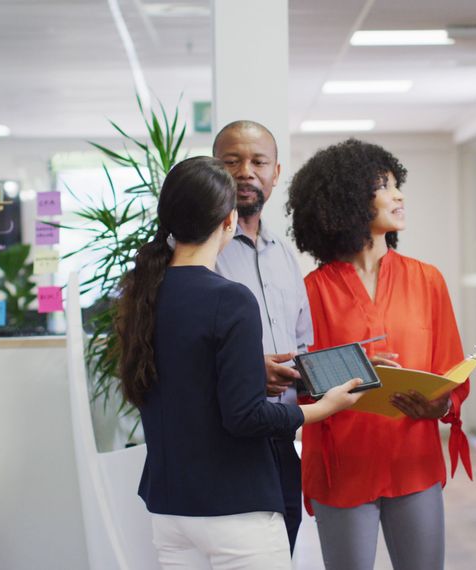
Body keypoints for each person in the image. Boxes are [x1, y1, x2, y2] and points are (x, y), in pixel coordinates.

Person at [115, 156, 364, 569]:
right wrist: (324, 407)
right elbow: (245, 417)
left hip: (170, 511)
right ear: (229, 220)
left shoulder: (143, 296)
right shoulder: (230, 299)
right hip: (235, 509)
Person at [287, 139, 470, 570]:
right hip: (342, 467)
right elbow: (297, 382)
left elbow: (452, 371)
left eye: (395, 184)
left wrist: (443, 404)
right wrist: (354, 369)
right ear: (348, 199)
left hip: (414, 460)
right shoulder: (310, 292)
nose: (398, 195)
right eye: (383, 187)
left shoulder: (427, 280)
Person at [213, 120, 310, 552]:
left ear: (276, 173)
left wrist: (355, 370)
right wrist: (251, 373)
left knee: (282, 549)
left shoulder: (285, 257)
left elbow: (301, 347)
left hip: (281, 439)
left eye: (258, 162)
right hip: (224, 444)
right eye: (231, 161)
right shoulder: (199, 251)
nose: (245, 172)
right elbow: (179, 350)